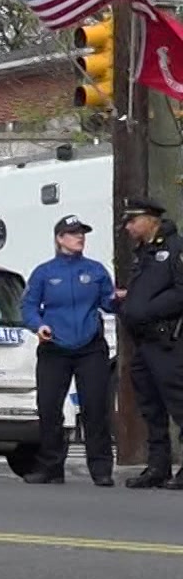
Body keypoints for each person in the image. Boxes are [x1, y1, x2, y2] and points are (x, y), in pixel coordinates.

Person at [20, 214, 116, 486]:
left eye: (82, 233)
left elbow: (108, 303)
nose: (80, 237)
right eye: (73, 233)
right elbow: (28, 307)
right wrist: (38, 325)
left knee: (95, 408)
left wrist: (118, 299)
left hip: (90, 347)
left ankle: (101, 469)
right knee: (49, 408)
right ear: (60, 238)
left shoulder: (96, 270)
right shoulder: (44, 272)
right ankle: (50, 466)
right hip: (54, 347)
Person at [117, 198, 183, 489]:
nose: (129, 227)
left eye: (132, 221)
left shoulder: (175, 249)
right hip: (144, 342)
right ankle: (158, 466)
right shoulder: (144, 253)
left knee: (179, 404)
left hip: (167, 339)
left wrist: (147, 308)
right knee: (150, 407)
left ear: (150, 220)